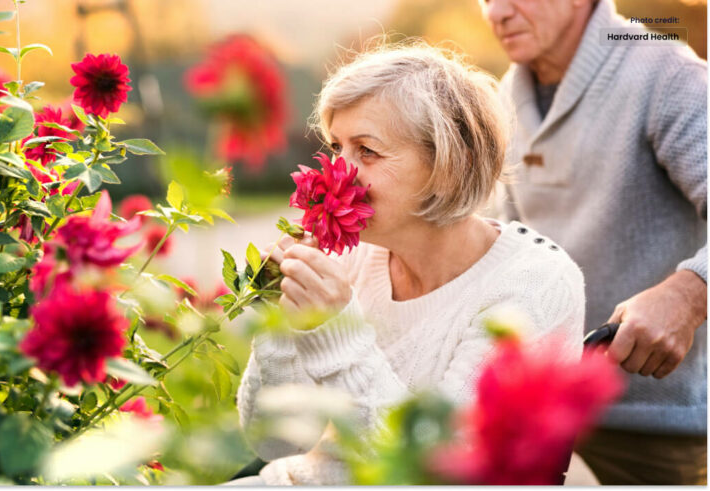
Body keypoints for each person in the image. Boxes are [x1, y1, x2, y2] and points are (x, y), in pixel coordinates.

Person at [231, 43, 586, 486]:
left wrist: (337, 336)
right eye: (337, 147)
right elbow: (273, 444)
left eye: (367, 151)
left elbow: (433, 472)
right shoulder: (348, 256)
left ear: (450, 166)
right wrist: (279, 324)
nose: (334, 175)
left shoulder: (534, 285)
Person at [480, 0, 707, 484]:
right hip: (542, 414)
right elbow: (511, 248)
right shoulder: (505, 97)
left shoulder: (667, 74)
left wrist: (689, 293)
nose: (496, 11)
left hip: (653, 426)